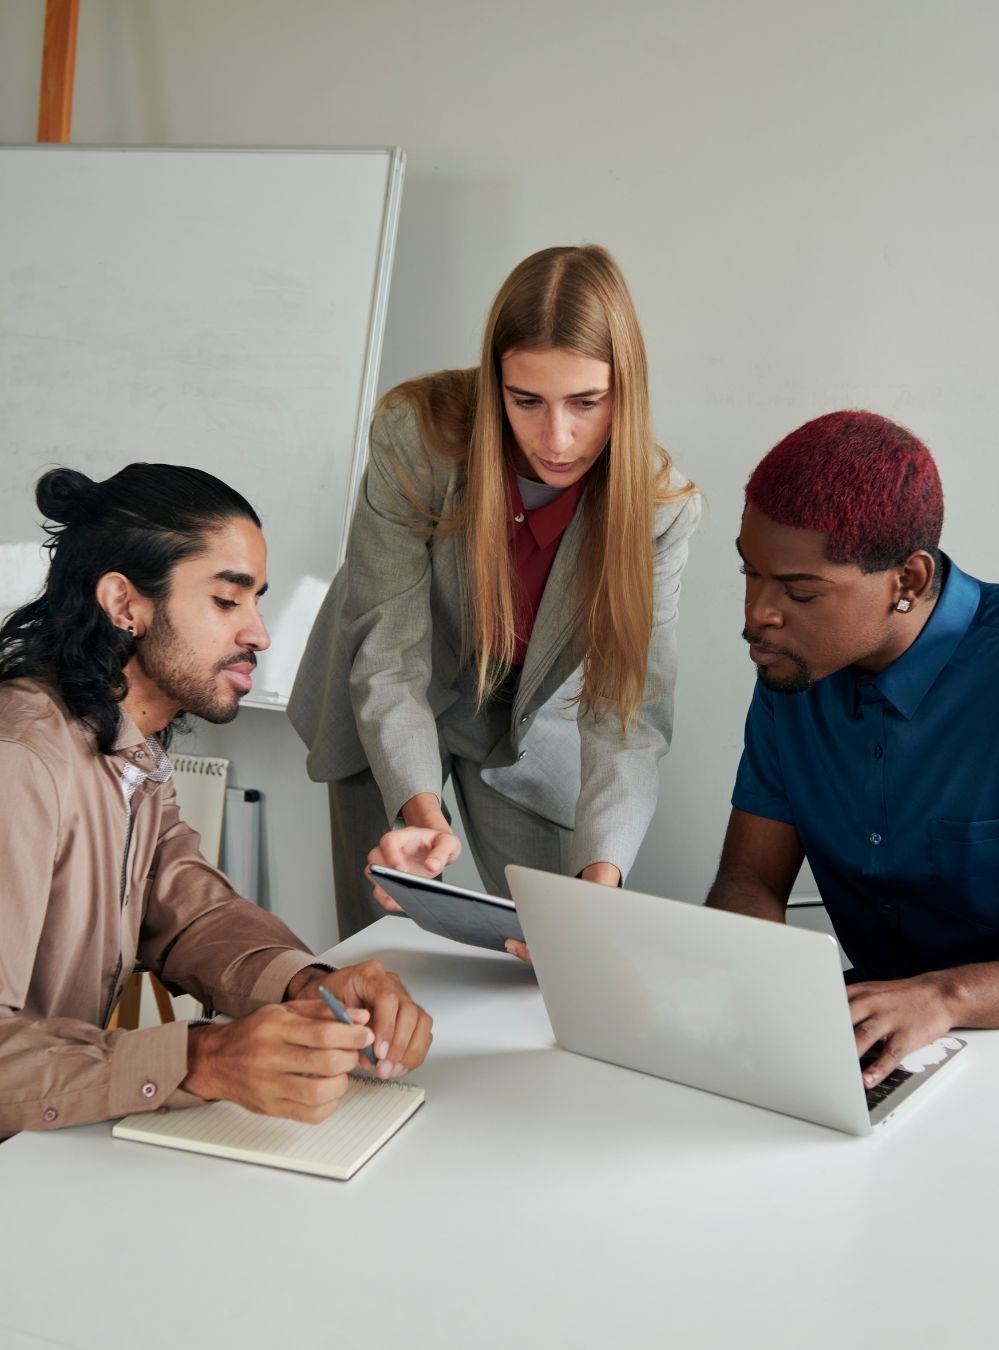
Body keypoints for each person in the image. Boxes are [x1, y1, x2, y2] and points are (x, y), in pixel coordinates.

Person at [0, 464, 432, 1139]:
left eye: (257, 600)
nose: (259, 633)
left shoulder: (128, 750)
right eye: (228, 601)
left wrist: (313, 985)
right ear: (125, 604)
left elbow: (192, 913)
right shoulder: (18, 760)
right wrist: (201, 1058)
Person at [289, 245, 701, 941]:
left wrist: (600, 882)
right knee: (379, 950)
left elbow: (628, 716)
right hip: (386, 700)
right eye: (527, 401)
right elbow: (388, 651)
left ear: (624, 390)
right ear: (494, 383)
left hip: (523, 726)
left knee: (552, 947)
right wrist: (421, 814)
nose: (558, 438)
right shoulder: (416, 436)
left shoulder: (661, 510)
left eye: (586, 403)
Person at [708, 411, 999, 1087]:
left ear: (906, 581)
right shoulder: (793, 669)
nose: (757, 614)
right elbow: (750, 881)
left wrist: (945, 997)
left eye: (799, 591)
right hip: (876, 1050)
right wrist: (755, 996)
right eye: (751, 574)